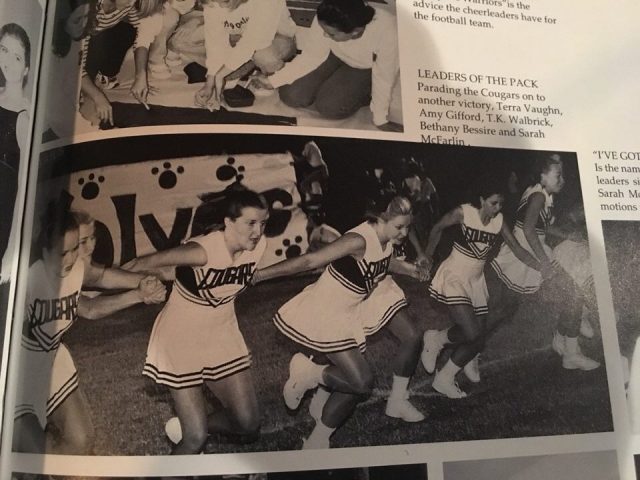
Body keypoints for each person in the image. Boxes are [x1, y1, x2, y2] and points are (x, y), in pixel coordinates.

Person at [254, 196, 428, 450]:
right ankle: (309, 373)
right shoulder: (357, 239)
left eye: (408, 227)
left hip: (348, 312)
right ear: (380, 219)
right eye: (399, 227)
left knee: (358, 384)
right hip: (326, 310)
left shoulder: (385, 240)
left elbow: (383, 262)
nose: (404, 233)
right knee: (361, 382)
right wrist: (260, 275)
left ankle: (317, 441)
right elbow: (309, 261)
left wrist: (410, 270)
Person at [124, 189, 269, 454]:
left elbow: (232, 281)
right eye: (250, 223)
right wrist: (97, 285)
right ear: (228, 222)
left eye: (263, 223)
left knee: (248, 423)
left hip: (222, 331)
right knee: (195, 439)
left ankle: (186, 425)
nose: (258, 231)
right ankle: (189, 434)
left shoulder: (259, 246)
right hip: (182, 334)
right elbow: (139, 263)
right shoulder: (200, 251)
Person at [13, 204, 166, 454]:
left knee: (81, 440)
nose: (73, 257)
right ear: (42, 249)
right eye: (64, 252)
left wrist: (142, 289)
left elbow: (97, 288)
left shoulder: (76, 269)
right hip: (17, 371)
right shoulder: (24, 280)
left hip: (52, 360)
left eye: (76, 248)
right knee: (31, 454)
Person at [420, 176, 539, 398]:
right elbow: (437, 228)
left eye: (501, 204)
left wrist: (540, 266)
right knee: (472, 333)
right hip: (455, 273)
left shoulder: (499, 220)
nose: (497, 208)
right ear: (482, 199)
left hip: (476, 279)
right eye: (493, 203)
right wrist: (427, 255)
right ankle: (439, 352)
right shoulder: (464, 212)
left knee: (479, 337)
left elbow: (515, 247)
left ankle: (442, 365)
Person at [489, 154, 600, 371]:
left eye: (563, 175)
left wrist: (565, 234)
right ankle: (568, 351)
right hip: (529, 256)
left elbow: (540, 227)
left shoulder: (540, 193)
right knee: (501, 312)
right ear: (542, 175)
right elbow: (529, 231)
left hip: (533, 252)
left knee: (571, 295)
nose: (562, 180)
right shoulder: (539, 196)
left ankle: (567, 348)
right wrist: (544, 263)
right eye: (558, 175)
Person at [253, 0, 401, 131]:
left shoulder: (388, 30)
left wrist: (380, 119)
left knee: (329, 107)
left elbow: (383, 77)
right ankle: (336, 83)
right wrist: (273, 81)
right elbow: (312, 56)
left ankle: (364, 93)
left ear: (355, 31)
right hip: (334, 54)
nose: (324, 36)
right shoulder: (327, 15)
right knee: (291, 95)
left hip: (366, 67)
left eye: (331, 34)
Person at [194, 0, 297, 109]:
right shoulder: (214, 2)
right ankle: (249, 64)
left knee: (264, 56)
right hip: (240, 37)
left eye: (223, 3)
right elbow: (214, 41)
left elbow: (254, 41)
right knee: (224, 73)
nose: (218, 7)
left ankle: (268, 73)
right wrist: (210, 82)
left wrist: (220, 75)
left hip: (276, 38)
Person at [79, 0, 166, 127]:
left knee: (129, 29)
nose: (131, 3)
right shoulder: (86, 10)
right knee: (88, 111)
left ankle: (103, 75)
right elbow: (75, 66)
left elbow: (140, 37)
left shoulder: (128, 4)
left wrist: (140, 76)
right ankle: (88, 84)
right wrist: (97, 96)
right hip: (75, 50)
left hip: (98, 39)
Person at [0, 23, 31, 283]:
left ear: (27, 69)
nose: (8, 61)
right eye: (3, 50)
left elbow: (23, 190)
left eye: (17, 56)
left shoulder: (25, 115)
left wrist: (12, 251)